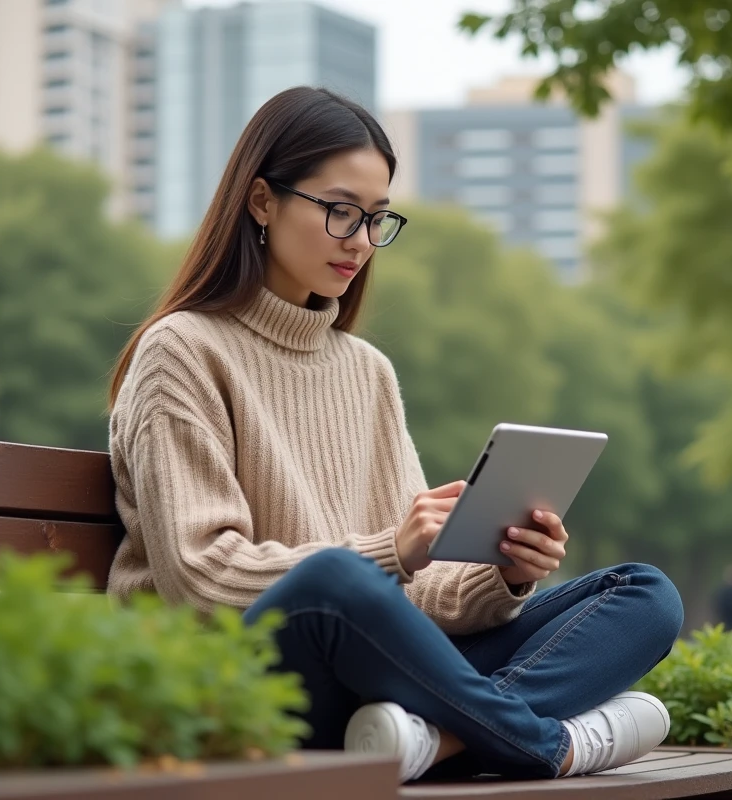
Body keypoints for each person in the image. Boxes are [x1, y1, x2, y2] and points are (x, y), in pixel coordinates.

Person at [105, 86, 684, 783]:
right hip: (243, 684)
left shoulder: (367, 371)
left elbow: (420, 594)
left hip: (376, 685)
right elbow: (199, 578)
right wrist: (389, 552)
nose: (359, 241)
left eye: (377, 218)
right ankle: (551, 743)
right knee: (335, 581)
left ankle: (437, 742)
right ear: (262, 201)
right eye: (340, 211)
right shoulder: (182, 352)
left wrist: (503, 574)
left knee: (643, 593)